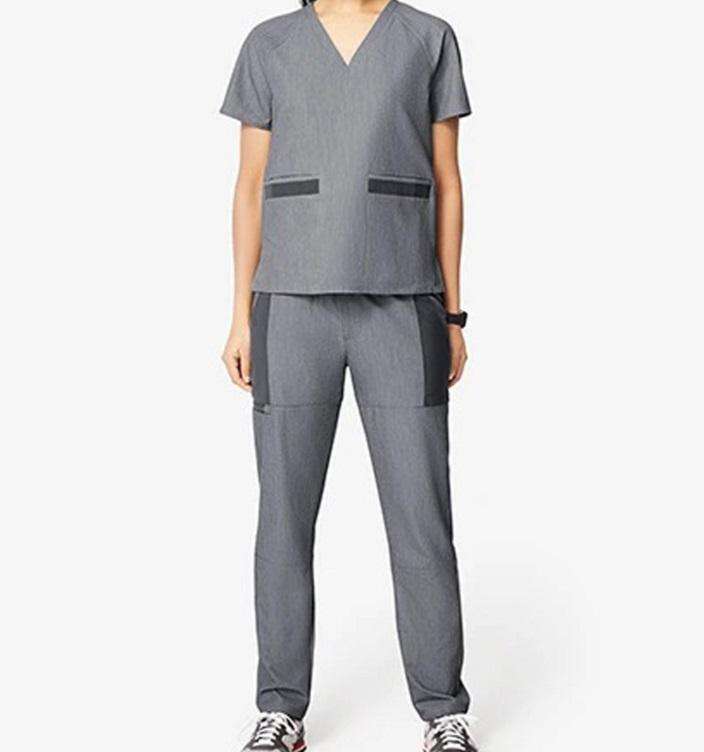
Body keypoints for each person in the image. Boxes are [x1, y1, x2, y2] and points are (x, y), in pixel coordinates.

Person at [220, 1, 476, 750]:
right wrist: (240, 316)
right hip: (288, 304)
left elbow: (448, 180)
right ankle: (280, 709)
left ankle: (443, 710)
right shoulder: (269, 43)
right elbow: (249, 185)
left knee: (421, 515)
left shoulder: (428, 39)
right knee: (284, 516)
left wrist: (452, 315)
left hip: (404, 303)